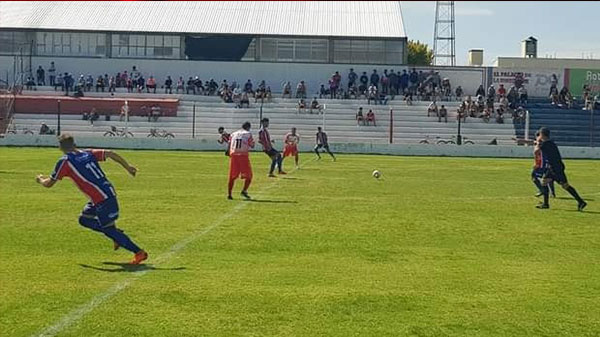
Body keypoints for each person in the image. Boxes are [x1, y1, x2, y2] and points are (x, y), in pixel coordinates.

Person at [35, 134, 148, 264]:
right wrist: (128, 167)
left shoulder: (65, 162)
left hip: (103, 199)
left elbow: (49, 183)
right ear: (74, 144)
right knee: (84, 219)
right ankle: (116, 234)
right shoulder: (87, 153)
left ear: (60, 147)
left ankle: (139, 252)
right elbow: (110, 153)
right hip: (104, 194)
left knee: (108, 229)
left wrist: (40, 180)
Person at [534, 127, 586, 211]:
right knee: (545, 182)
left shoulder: (545, 144)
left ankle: (580, 201)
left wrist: (537, 143)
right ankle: (546, 204)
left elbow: (536, 151)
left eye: (539, 135)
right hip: (556, 167)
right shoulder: (551, 143)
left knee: (564, 185)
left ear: (542, 135)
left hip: (555, 168)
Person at [227, 122, 255, 200]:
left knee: (232, 176)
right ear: (248, 127)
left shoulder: (233, 133)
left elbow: (229, 144)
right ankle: (244, 190)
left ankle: (229, 194)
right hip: (243, 156)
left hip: (234, 155)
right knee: (249, 176)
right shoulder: (248, 134)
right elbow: (252, 145)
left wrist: (229, 152)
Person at [531, 132, 556, 198]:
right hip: (547, 163)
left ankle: (542, 190)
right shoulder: (543, 143)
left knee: (533, 176)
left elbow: (537, 152)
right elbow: (531, 142)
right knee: (549, 178)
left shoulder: (540, 144)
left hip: (541, 164)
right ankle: (552, 193)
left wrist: (536, 164)